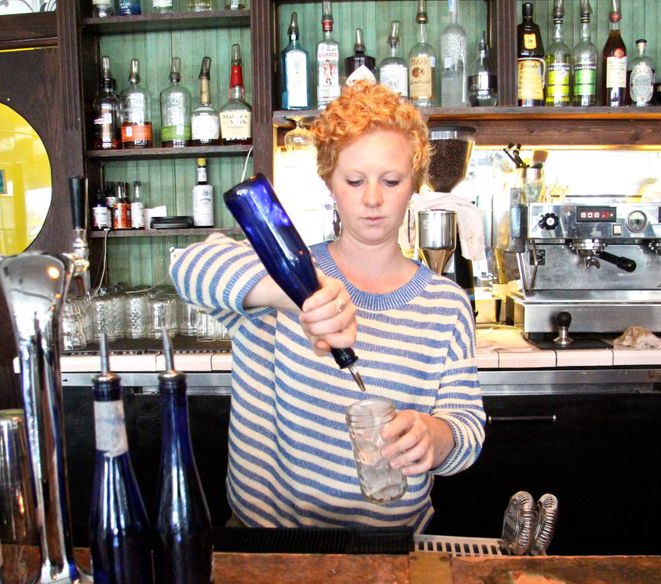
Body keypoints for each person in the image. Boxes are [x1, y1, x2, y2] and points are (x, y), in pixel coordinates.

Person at [170, 81, 484, 531]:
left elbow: (467, 427)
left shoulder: (445, 305)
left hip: (389, 545)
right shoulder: (285, 275)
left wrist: (437, 437)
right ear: (329, 183)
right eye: (354, 181)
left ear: (415, 183)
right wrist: (292, 296)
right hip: (268, 540)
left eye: (391, 181)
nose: (372, 199)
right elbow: (186, 266)